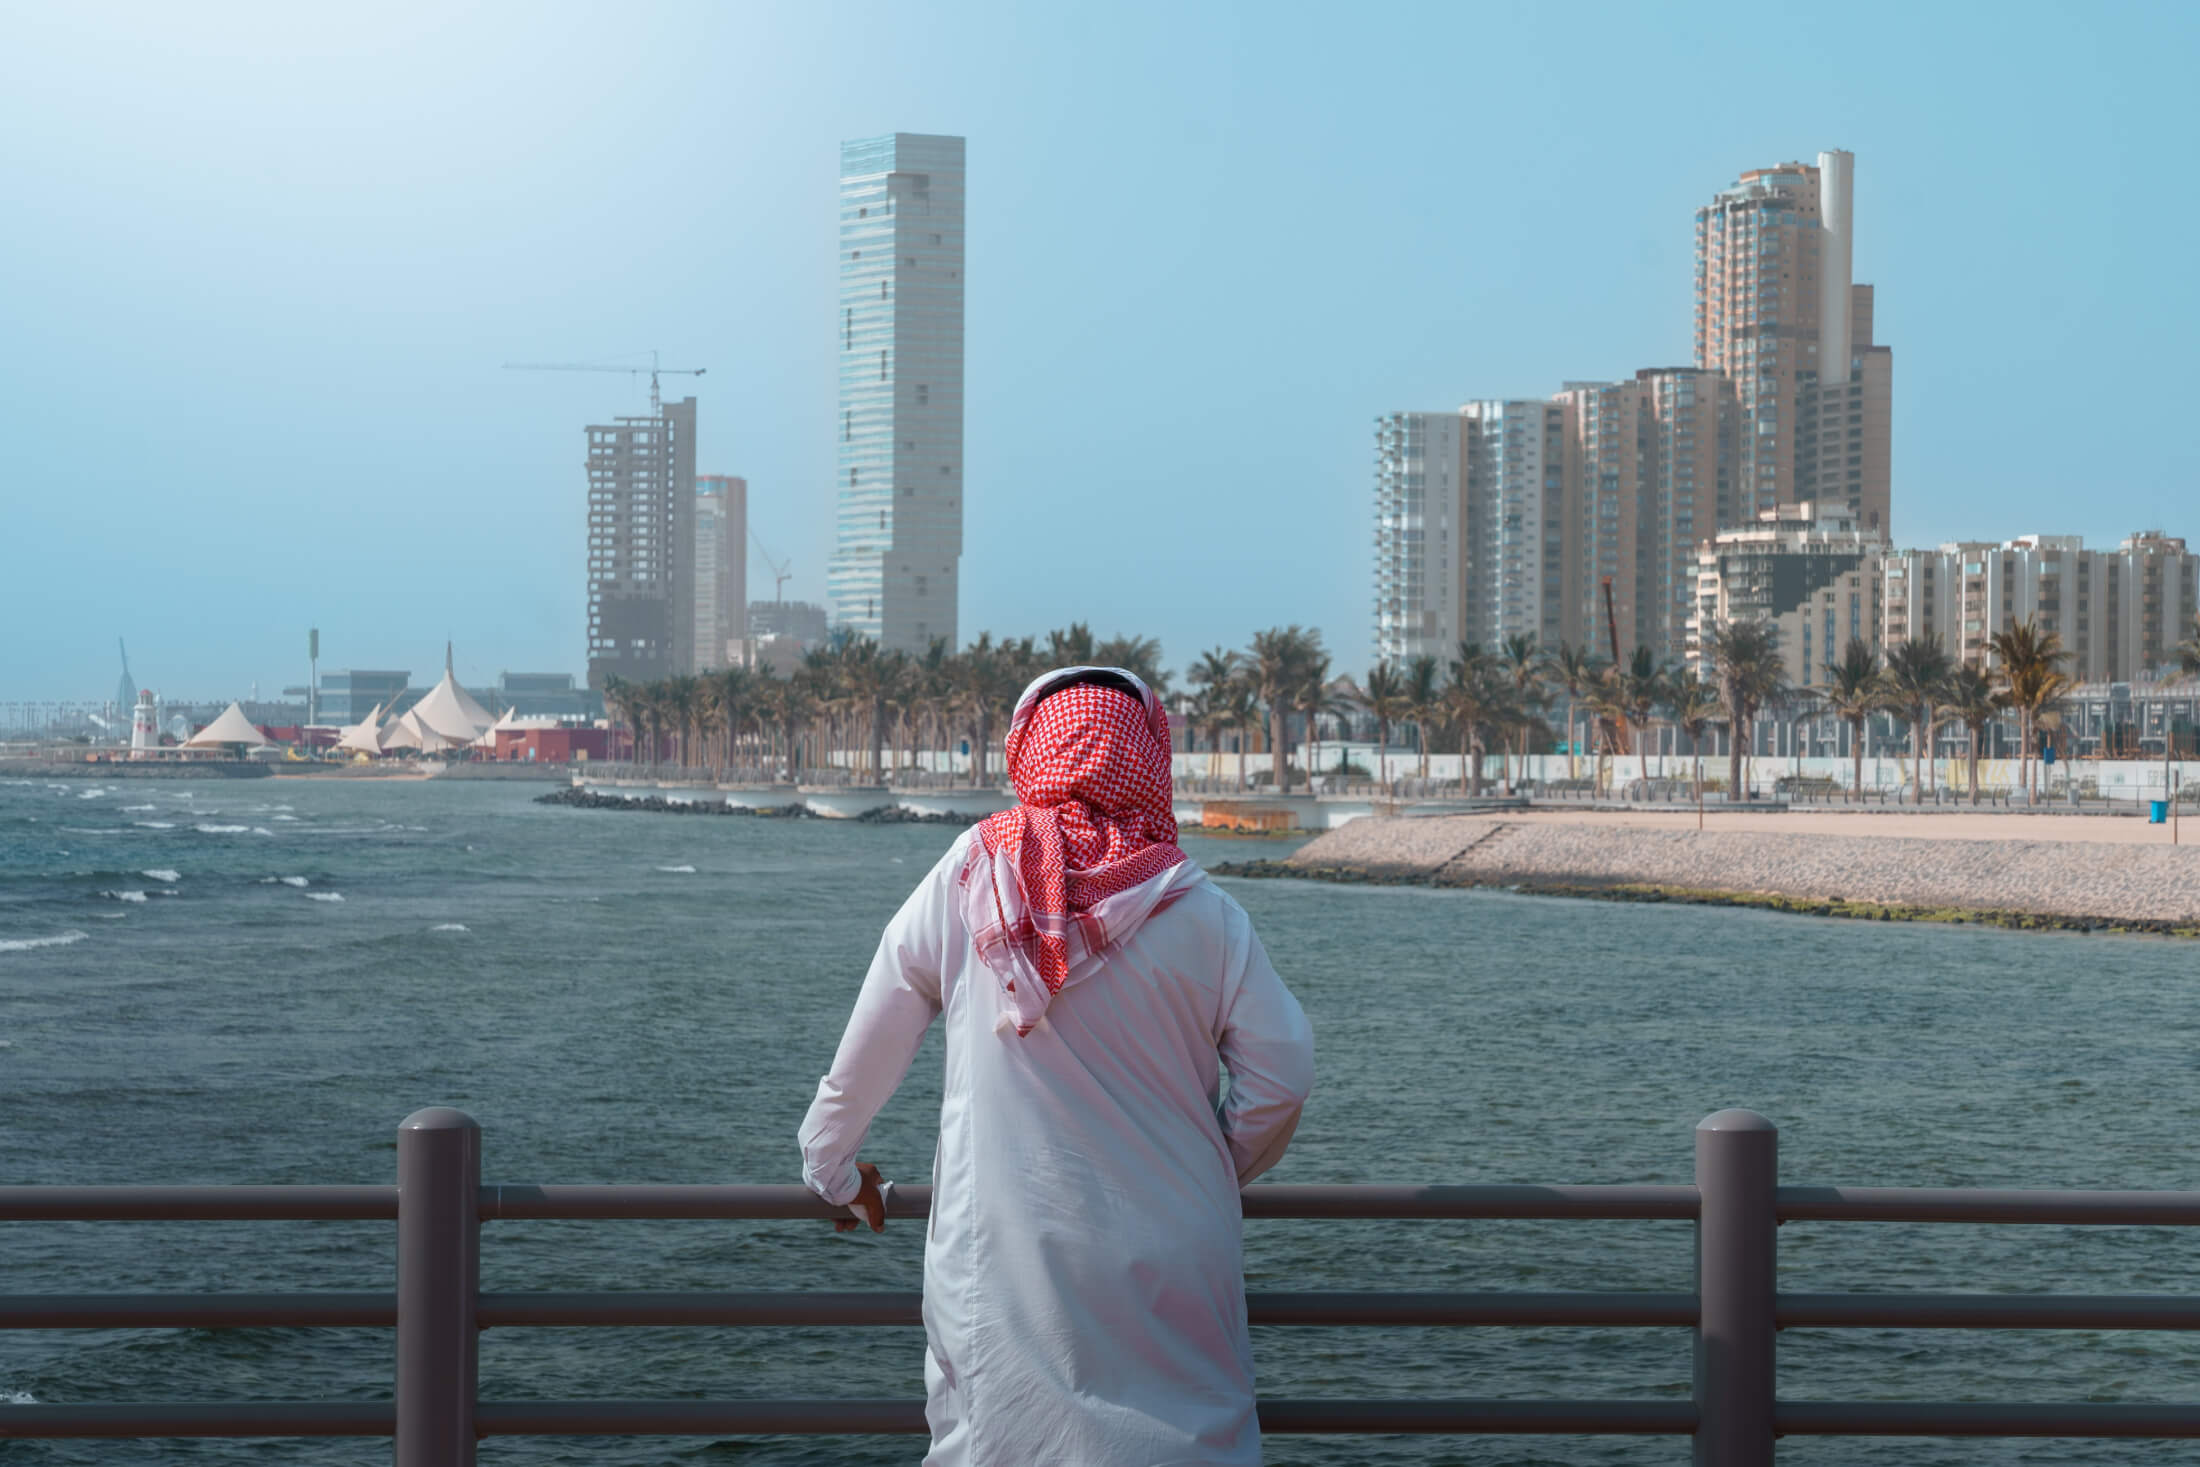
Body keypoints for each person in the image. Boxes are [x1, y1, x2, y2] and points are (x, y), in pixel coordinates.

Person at [798, 664, 1315, 1466]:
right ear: (1148, 754)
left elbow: (875, 1033)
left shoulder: (972, 874)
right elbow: (1282, 1075)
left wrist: (834, 1171)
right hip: (1176, 1250)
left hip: (1005, 1259)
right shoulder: (1202, 908)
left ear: (1029, 748)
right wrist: (1210, 1166)